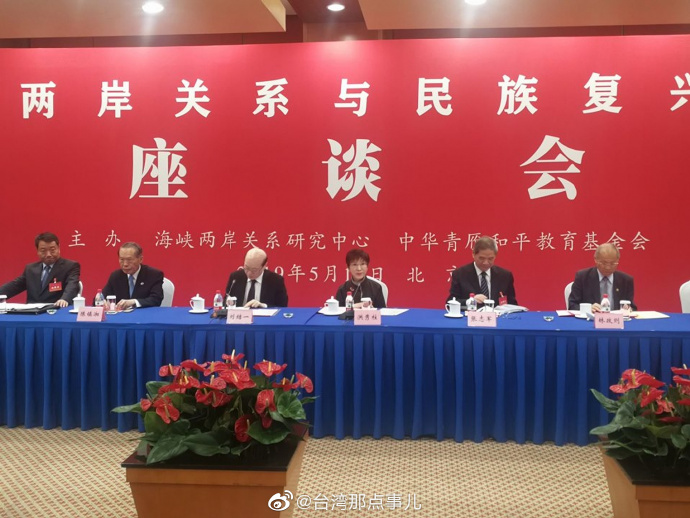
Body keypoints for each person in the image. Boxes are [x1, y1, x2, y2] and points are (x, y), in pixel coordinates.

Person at [0, 232, 80, 308]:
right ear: (37, 251)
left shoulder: (70, 266)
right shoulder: (30, 269)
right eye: (43, 251)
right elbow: (14, 286)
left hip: (56, 309)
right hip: (32, 312)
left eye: (52, 250)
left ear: (58, 248)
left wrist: (64, 299)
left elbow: (72, 286)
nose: (48, 254)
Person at [446, 236, 517, 307]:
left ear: (495, 256)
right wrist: (469, 301)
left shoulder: (505, 276)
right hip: (471, 313)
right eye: (481, 258)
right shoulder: (460, 274)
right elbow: (450, 302)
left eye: (490, 259)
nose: (486, 262)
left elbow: (513, 304)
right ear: (473, 254)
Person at [568, 242, 636, 312]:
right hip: (591, 318)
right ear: (595, 259)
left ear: (618, 261)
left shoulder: (626, 281)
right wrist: (588, 309)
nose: (608, 267)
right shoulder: (582, 277)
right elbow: (572, 305)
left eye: (612, 263)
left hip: (617, 318)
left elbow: (632, 308)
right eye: (604, 263)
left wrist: (629, 309)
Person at [102, 242, 164, 309]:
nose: (125, 264)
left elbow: (156, 299)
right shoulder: (115, 276)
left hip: (144, 314)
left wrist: (134, 302)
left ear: (140, 259)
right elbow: (102, 297)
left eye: (129, 260)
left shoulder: (153, 275)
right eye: (122, 259)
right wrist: (102, 301)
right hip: (121, 315)